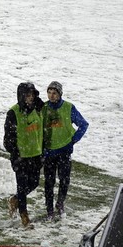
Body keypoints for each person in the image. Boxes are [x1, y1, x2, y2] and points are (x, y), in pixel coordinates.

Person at [41, 81, 88, 221]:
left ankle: (60, 203)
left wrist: (73, 140)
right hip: (48, 152)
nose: (51, 95)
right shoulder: (43, 108)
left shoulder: (68, 107)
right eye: (49, 92)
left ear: (60, 94)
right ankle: (49, 209)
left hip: (64, 151)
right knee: (49, 183)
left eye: (54, 93)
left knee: (64, 180)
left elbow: (83, 124)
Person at [4, 82, 45, 228]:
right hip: (21, 157)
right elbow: (8, 139)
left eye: (33, 95)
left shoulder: (39, 110)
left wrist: (42, 151)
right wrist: (16, 154)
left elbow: (42, 131)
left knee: (34, 183)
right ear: (21, 96)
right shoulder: (13, 113)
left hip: (36, 155)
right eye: (28, 95)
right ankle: (24, 217)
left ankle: (14, 200)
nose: (31, 98)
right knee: (22, 187)